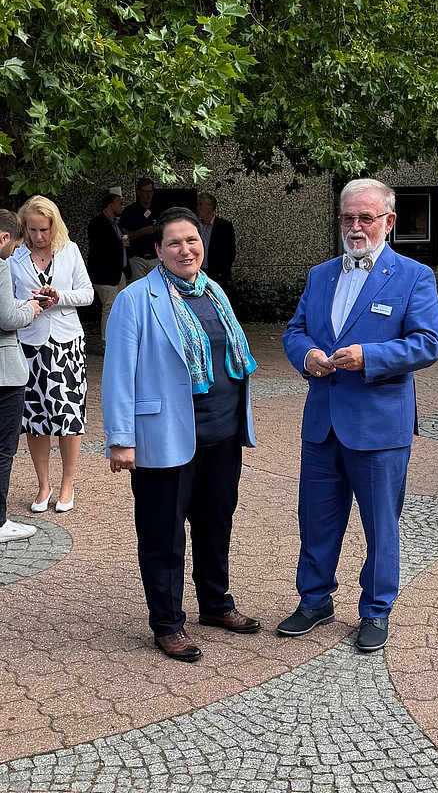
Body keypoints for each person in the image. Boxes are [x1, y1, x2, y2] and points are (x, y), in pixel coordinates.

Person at [277, 178, 438, 652]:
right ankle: (315, 601)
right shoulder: (321, 274)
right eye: (348, 217)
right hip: (323, 422)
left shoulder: (413, 276)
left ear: (388, 222)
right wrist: (306, 355)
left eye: (366, 218)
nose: (355, 226)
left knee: (380, 526)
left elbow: (428, 344)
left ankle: (376, 610)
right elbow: (295, 331)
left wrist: (369, 356)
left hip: (379, 425)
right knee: (316, 520)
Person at [102, 206, 260, 662]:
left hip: (222, 434)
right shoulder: (136, 299)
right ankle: (168, 623)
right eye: (173, 242)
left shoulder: (214, 291)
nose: (185, 249)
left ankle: (215, 605)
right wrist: (121, 438)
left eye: (192, 240)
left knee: (215, 525)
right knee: (163, 534)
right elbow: (118, 373)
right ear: (158, 250)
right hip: (164, 436)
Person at [8, 196, 94, 514]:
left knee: (68, 415)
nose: (38, 236)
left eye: (44, 229)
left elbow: (87, 293)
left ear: (54, 225)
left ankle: (67, 483)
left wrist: (59, 297)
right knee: (35, 418)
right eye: (32, 230)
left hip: (67, 342)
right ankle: (43, 485)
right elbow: (7, 300)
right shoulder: (15, 255)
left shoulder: (69, 250)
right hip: (29, 343)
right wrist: (29, 304)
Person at [0, 210, 40, 543]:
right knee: (3, 450)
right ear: (4, 237)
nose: (14, 252)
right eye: (14, 245)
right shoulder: (0, 264)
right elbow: (7, 319)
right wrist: (31, 309)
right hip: (5, 373)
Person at [87, 192, 131, 344]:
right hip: (105, 274)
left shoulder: (115, 224)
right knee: (109, 307)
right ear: (111, 206)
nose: (121, 206)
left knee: (121, 307)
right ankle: (107, 342)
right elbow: (99, 248)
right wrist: (119, 244)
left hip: (119, 272)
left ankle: (119, 339)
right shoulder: (97, 223)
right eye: (119, 203)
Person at [119, 178, 163, 281]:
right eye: (145, 192)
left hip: (156, 257)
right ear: (139, 192)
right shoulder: (130, 211)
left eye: (150, 192)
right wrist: (143, 231)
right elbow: (124, 235)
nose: (148, 195)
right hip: (137, 259)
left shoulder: (159, 209)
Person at [196, 193, 236, 285]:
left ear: (210, 207)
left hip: (216, 273)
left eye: (201, 204)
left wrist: (222, 270)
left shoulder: (224, 226)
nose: (198, 208)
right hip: (197, 271)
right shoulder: (195, 225)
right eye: (197, 204)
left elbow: (230, 251)